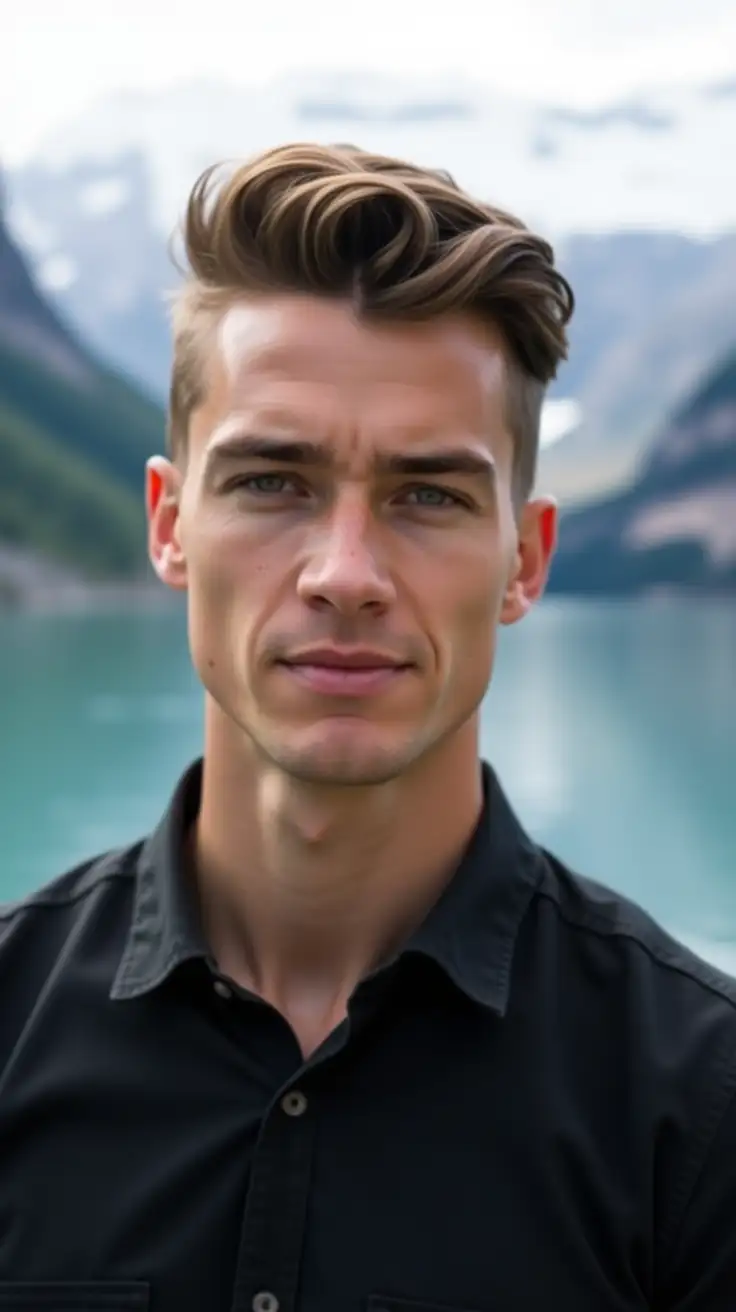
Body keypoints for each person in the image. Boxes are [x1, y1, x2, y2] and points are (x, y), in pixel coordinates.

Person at [1, 143, 735, 1312]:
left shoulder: (699, 1102)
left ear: (525, 559)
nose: (346, 574)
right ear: (168, 523)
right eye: (271, 482)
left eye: (428, 495)